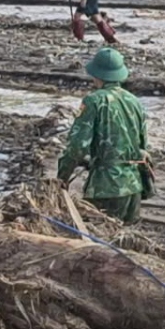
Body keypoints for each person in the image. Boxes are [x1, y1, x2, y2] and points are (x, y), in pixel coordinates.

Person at [57, 48, 151, 224]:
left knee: (99, 242)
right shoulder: (134, 101)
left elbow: (77, 146)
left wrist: (61, 179)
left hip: (106, 188)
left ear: (96, 75)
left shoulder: (94, 101)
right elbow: (144, 145)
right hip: (133, 187)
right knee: (125, 241)